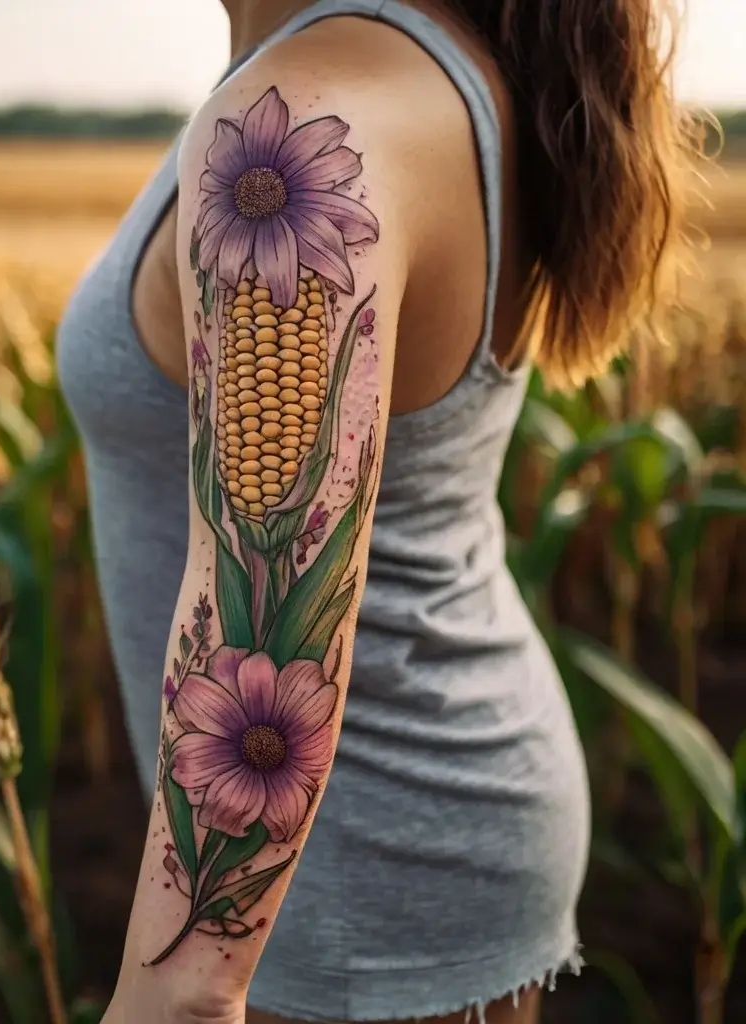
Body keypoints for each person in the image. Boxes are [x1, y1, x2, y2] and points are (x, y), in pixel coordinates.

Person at [56, 1, 697, 1021]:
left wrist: (174, 997)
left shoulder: (308, 117)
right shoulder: (378, 68)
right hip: (406, 848)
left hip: (368, 890)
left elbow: (266, 643)